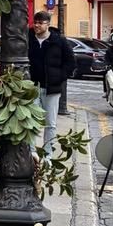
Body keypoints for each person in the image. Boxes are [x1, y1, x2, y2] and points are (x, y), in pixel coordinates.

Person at [28, 11, 76, 154]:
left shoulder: (58, 41)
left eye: (40, 23)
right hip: (33, 87)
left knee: (50, 124)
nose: (36, 25)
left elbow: (71, 62)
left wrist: (60, 77)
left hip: (52, 88)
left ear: (48, 24)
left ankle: (48, 155)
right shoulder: (29, 38)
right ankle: (32, 153)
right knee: (31, 122)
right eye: (35, 22)